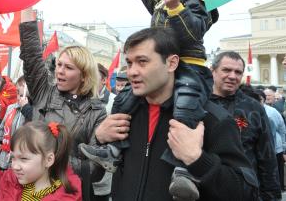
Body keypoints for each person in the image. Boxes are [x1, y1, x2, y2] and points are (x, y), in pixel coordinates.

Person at [81, 0, 218, 200]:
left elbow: (193, 34)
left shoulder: (198, 3)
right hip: (161, 69)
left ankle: (182, 169)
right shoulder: (161, 1)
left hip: (188, 67)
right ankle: (113, 150)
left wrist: (177, 7)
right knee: (125, 100)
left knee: (186, 105)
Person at [93, 27, 258, 200]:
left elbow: (246, 192)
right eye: (129, 63)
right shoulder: (124, 114)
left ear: (171, 63)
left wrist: (197, 159)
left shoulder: (213, 119)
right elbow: (93, 175)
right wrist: (99, 139)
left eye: (142, 61)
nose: (132, 71)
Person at [20, 8, 107, 201]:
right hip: (29, 188)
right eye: (59, 64)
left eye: (68, 68)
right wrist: (25, 7)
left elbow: (95, 169)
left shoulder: (97, 112)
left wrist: (48, 160)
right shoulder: (45, 91)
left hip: (66, 193)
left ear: (84, 76)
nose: (60, 71)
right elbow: (31, 55)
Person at [0, 105, 82, 201]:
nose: (15, 166)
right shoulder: (10, 180)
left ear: (48, 159)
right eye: (13, 158)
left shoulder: (66, 197)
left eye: (24, 159)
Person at [210, 51, 281, 200]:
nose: (232, 76)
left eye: (238, 72)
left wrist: (272, 196)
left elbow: (267, 156)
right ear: (213, 70)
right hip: (205, 190)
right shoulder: (198, 105)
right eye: (226, 70)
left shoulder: (254, 108)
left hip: (246, 192)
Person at [0, 75, 29, 170]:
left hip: (20, 160)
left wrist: (26, 109)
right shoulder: (11, 108)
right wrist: (1, 142)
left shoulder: (31, 111)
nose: (19, 98)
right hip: (5, 155)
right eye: (17, 93)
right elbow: (3, 127)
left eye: (22, 95)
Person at [263, 88, 286, 192]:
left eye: (269, 95)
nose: (267, 98)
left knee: (277, 171)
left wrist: (284, 148)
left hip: (276, 148)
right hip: (262, 149)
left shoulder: (273, 112)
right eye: (266, 95)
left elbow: (282, 129)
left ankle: (279, 189)